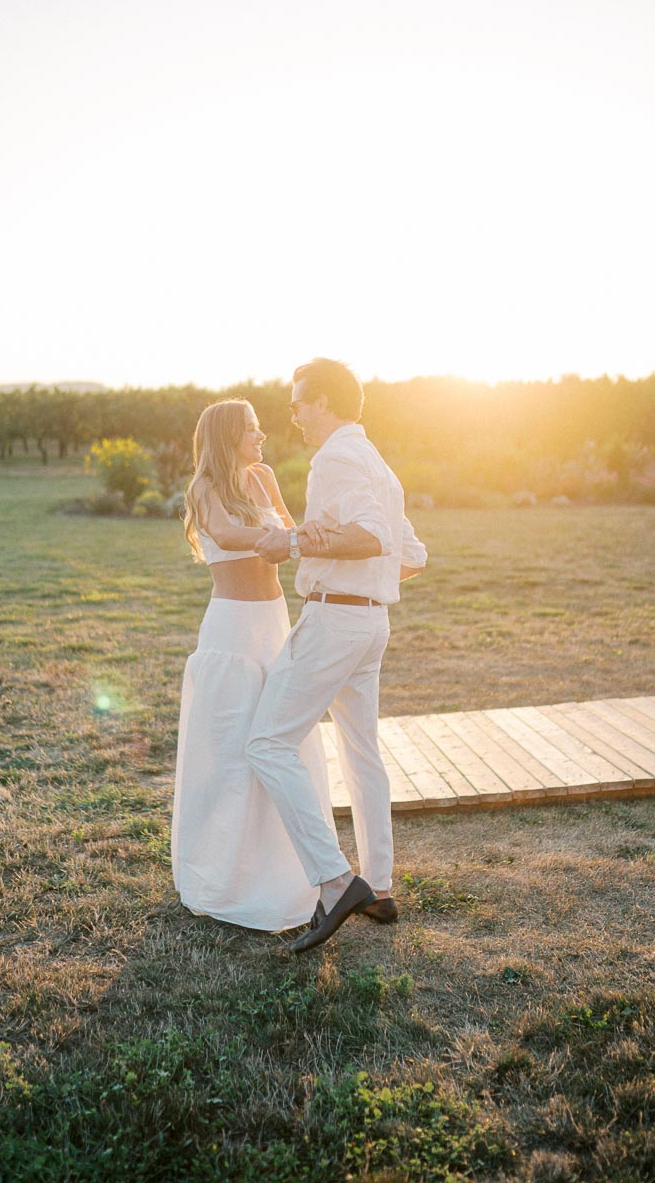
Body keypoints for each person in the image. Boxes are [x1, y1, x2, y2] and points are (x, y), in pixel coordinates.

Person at [246, 358, 428, 953]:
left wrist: (296, 543)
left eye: (299, 402)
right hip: (370, 622)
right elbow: (412, 553)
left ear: (323, 401)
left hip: (336, 619)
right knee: (361, 751)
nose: (294, 415)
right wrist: (368, 585)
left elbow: (374, 536)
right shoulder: (379, 463)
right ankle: (378, 883)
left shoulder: (337, 458)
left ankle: (335, 881)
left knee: (267, 741)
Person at [170, 397, 335, 931]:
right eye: (252, 430)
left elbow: (292, 530)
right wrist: (287, 539)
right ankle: (223, 877)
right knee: (230, 754)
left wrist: (318, 535)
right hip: (232, 633)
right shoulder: (205, 488)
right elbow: (229, 534)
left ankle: (283, 872)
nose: (262, 437)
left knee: (277, 746)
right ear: (226, 436)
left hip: (273, 629)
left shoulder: (262, 478)